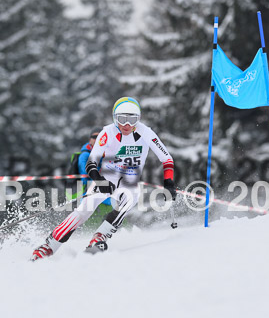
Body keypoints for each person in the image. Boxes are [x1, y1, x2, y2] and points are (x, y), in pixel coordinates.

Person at [31, 97, 176, 261]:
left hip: (130, 182)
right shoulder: (107, 133)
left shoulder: (146, 133)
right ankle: (48, 246)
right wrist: (100, 181)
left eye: (132, 119)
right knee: (84, 209)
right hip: (107, 178)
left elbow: (167, 159)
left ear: (139, 119)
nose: (127, 125)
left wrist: (168, 183)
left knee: (127, 202)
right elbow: (92, 162)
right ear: (115, 118)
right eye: (122, 119)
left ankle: (100, 237)